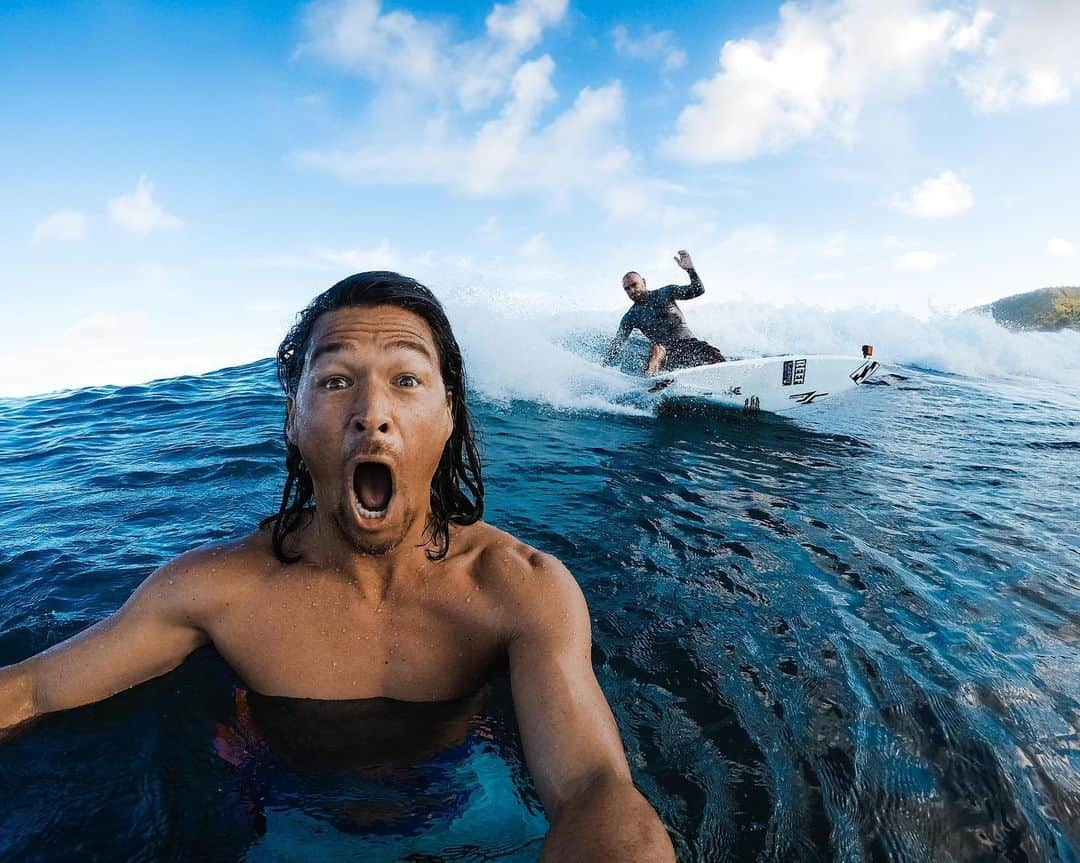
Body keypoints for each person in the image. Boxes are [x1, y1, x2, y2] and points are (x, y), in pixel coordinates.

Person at [0, 272, 674, 862]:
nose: (371, 414)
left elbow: (592, 788)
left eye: (406, 379)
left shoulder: (517, 589)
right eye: (334, 380)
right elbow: (32, 689)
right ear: (293, 418)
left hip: (466, 800)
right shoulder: (216, 590)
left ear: (448, 415)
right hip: (282, 810)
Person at [605, 249, 726, 376]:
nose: (632, 291)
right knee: (657, 349)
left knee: (717, 358)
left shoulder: (665, 293)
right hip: (665, 356)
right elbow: (617, 344)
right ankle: (652, 378)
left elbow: (698, 290)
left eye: (634, 285)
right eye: (627, 289)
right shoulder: (630, 317)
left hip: (689, 345)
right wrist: (603, 367)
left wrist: (690, 270)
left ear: (644, 282)